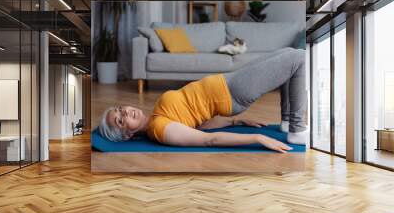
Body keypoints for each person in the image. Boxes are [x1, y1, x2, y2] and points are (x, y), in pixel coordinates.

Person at [99, 48, 307, 153]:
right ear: (127, 135)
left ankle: (288, 122)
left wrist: (238, 123)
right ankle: (296, 130)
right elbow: (208, 139)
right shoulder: (160, 130)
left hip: (229, 81)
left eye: (119, 109)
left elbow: (201, 124)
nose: (125, 112)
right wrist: (257, 138)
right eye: (119, 120)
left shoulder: (156, 116)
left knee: (289, 53)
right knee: (299, 58)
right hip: (234, 92)